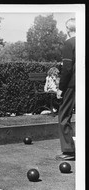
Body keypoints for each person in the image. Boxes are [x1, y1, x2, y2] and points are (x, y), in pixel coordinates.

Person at [55, 18, 76, 161]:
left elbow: (67, 69)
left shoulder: (69, 43)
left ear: (68, 29)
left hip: (72, 85)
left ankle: (69, 151)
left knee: (63, 115)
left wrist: (60, 89)